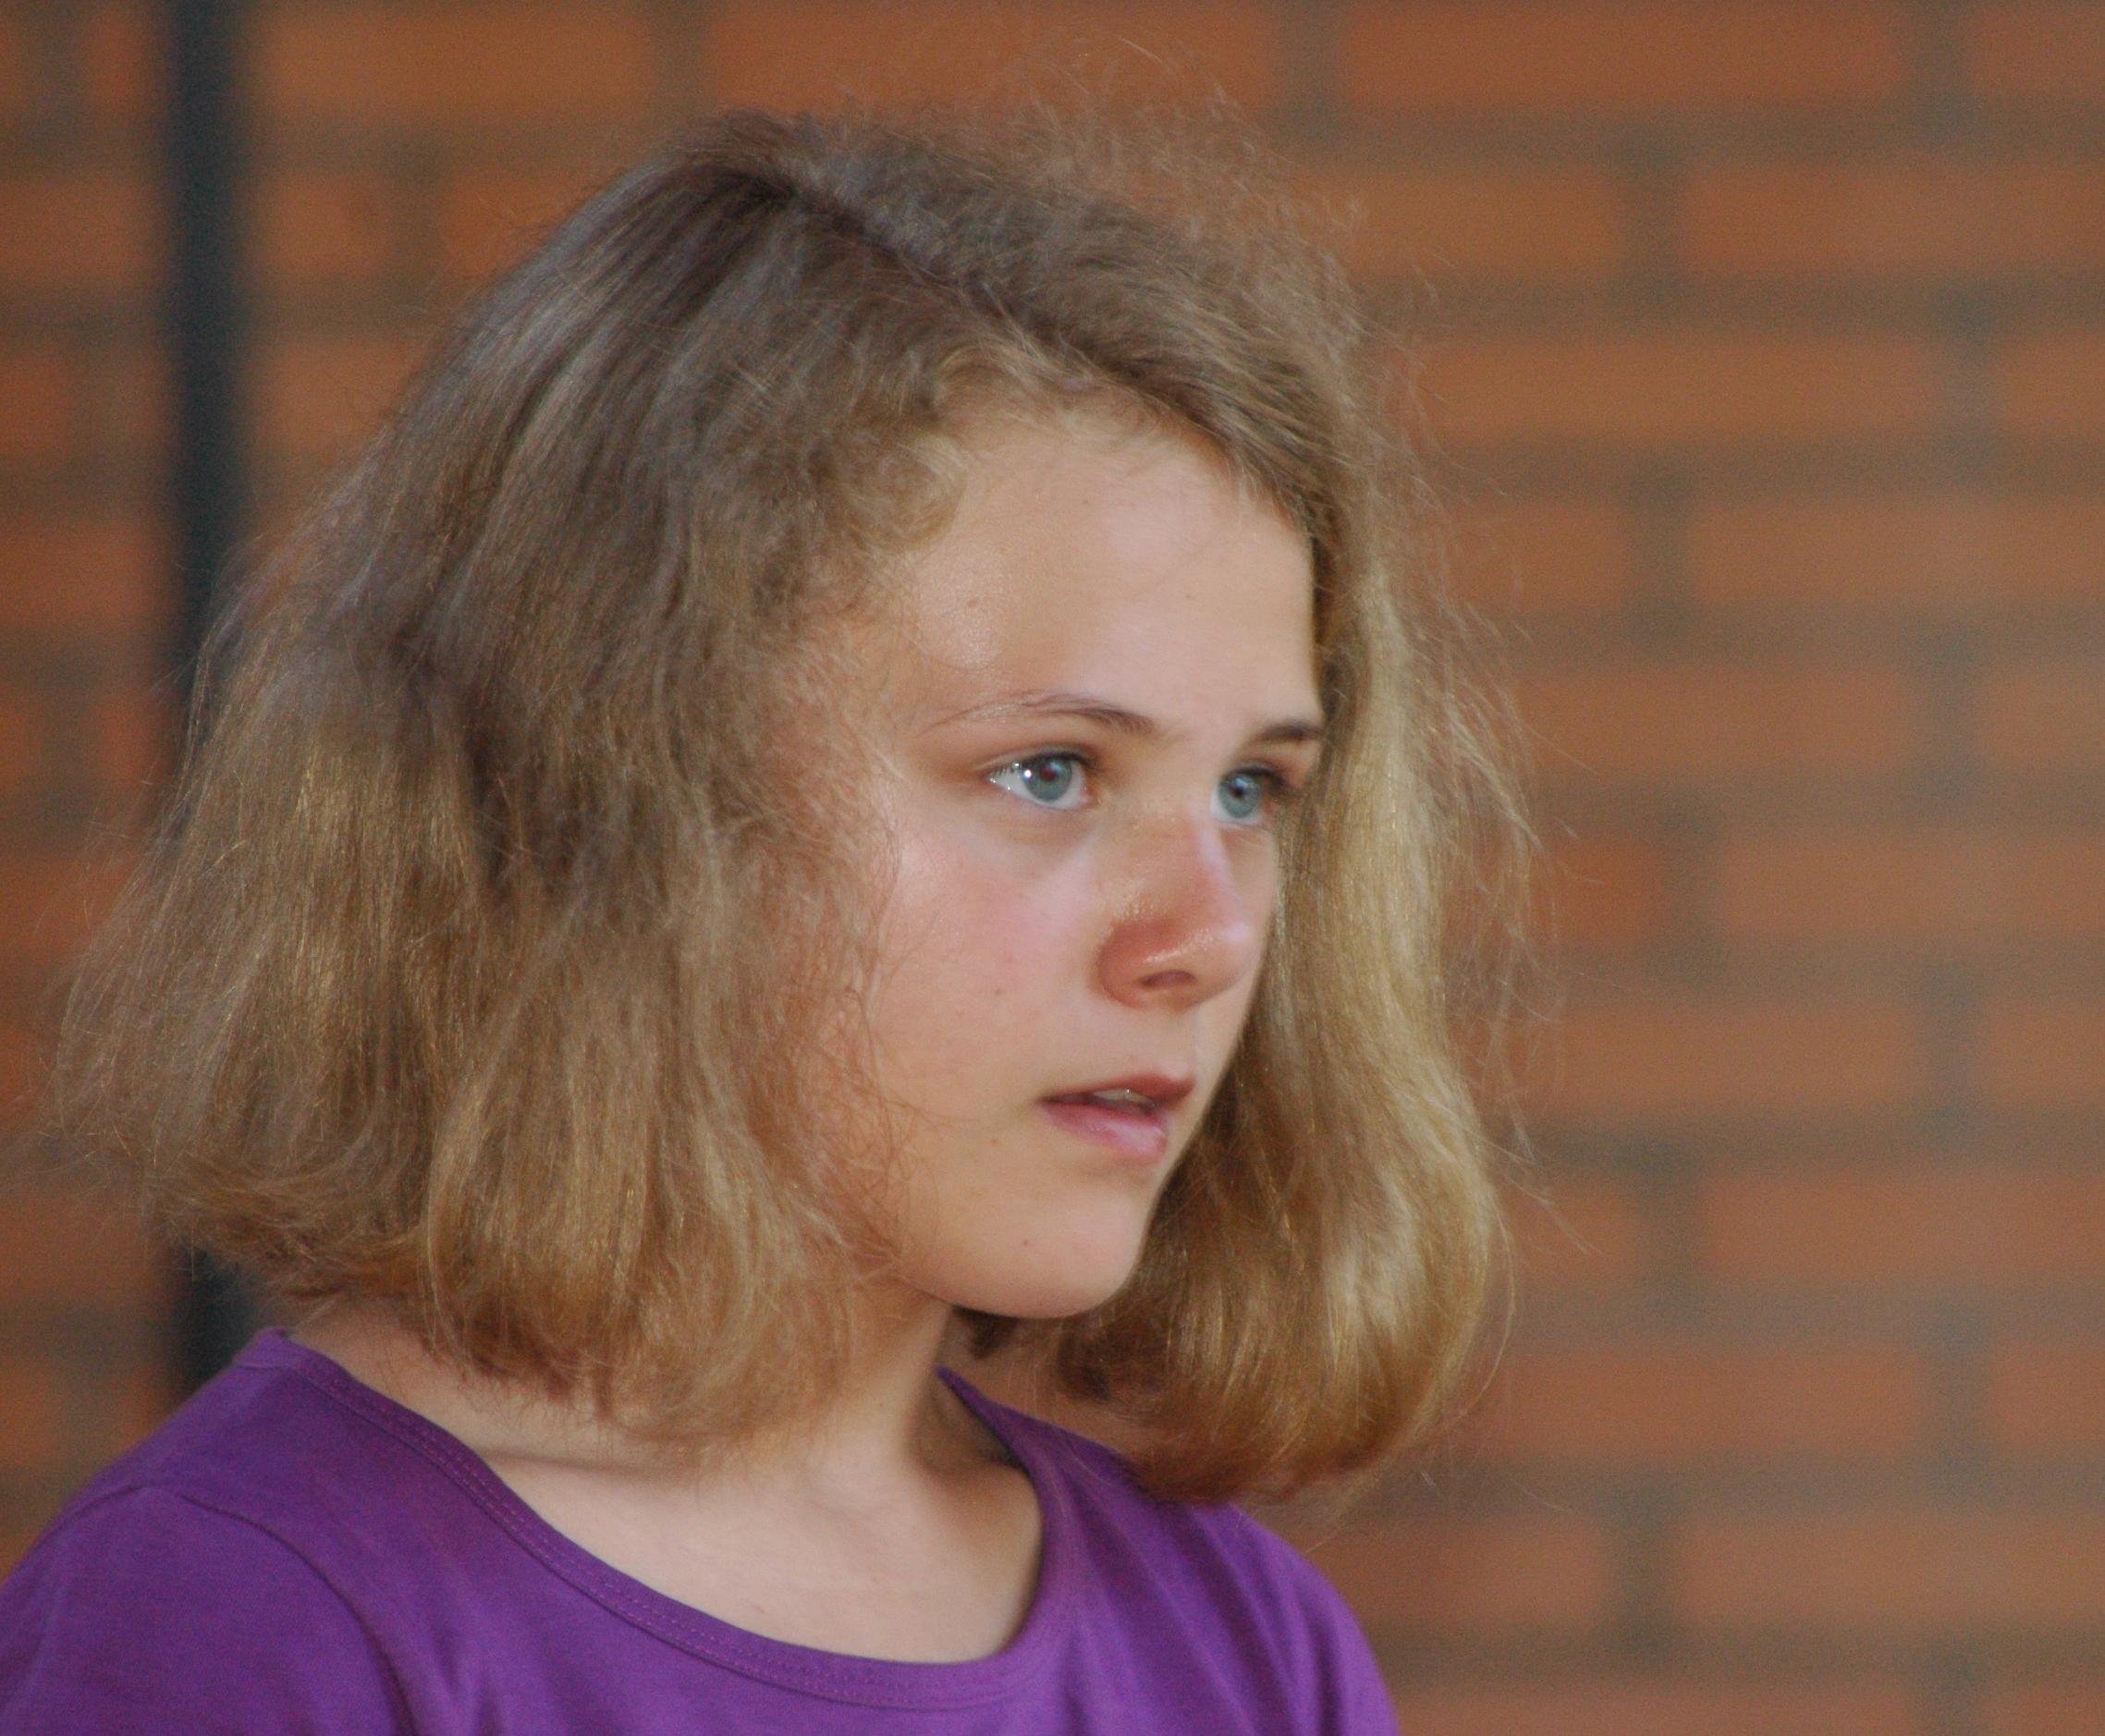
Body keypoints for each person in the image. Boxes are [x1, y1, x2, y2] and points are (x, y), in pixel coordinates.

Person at [0, 103, 1529, 1732]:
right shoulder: (245, 1617)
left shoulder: (1245, 1644)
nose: (1207, 935)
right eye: (1050, 771)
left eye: (1250, 789)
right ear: (620, 802)